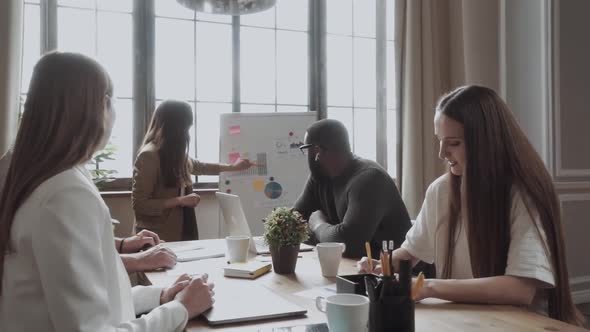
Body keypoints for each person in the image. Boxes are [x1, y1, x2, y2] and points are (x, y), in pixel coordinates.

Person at [0, 52, 214, 331]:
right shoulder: (65, 194)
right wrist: (180, 309)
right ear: (99, 106)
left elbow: (95, 300)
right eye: (110, 100)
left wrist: (159, 296)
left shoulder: (31, 174)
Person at [358, 85, 584, 326]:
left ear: (487, 142)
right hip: (466, 320)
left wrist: (429, 287)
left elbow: (520, 289)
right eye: (440, 141)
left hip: (521, 324)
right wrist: (383, 264)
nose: (442, 153)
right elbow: (412, 252)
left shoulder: (523, 192)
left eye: (453, 143)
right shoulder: (441, 190)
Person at [1, 150, 177, 273]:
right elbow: (73, 265)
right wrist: (140, 261)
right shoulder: (62, 183)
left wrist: (120, 244)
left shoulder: (40, 161)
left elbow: (67, 239)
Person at [133, 100, 255, 242]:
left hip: (180, 230)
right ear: (175, 128)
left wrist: (233, 167)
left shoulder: (173, 152)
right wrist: (180, 201)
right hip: (157, 236)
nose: (187, 134)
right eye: (186, 128)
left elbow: (199, 166)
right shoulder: (149, 155)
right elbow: (140, 205)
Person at [293, 119, 412, 258]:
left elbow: (348, 244)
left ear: (318, 152)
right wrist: (329, 234)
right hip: (355, 268)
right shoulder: (319, 178)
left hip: (399, 274)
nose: (306, 156)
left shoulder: (369, 179)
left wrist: (318, 225)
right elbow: (294, 223)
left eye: (306, 150)